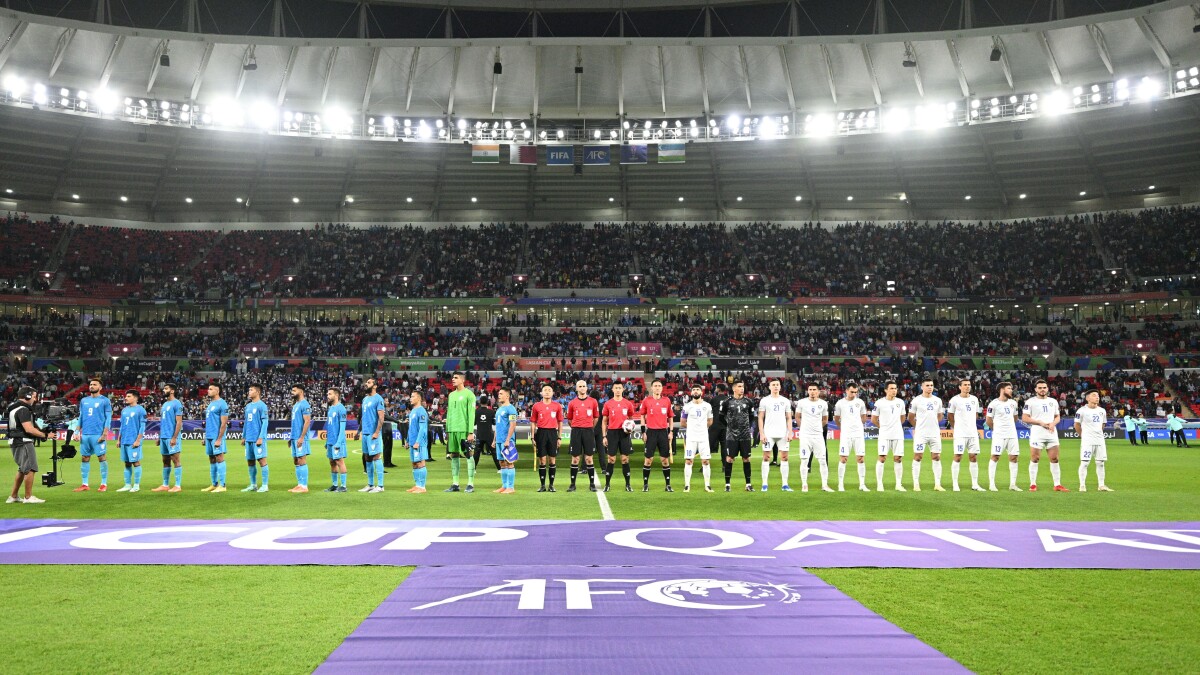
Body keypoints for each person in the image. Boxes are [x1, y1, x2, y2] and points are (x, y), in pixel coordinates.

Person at [1021, 379, 1067, 492]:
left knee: (1054, 458)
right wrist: (1040, 422)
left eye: (1044, 387)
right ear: (1036, 389)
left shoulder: (1053, 401)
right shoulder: (1030, 402)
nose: (1042, 390)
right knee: (1035, 458)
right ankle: (1032, 484)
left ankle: (1057, 485)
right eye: (1040, 388)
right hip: (1037, 432)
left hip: (1051, 433)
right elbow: (1025, 418)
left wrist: (1053, 424)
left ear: (1047, 389)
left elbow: (1057, 417)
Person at [6, 386, 48, 504]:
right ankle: (28, 497)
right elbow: (29, 429)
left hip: (15, 441)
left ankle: (13, 496)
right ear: (28, 396)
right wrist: (45, 435)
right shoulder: (24, 409)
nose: (35, 399)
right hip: (23, 441)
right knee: (30, 468)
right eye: (34, 396)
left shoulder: (13, 407)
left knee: (22, 469)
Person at [74, 378, 112, 493]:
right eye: (90, 384)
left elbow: (108, 418)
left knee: (101, 457)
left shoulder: (105, 401)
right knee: (85, 458)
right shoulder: (84, 400)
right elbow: (81, 417)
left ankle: (103, 484)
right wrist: (76, 432)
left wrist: (105, 433)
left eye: (94, 384)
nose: (92, 386)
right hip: (85, 434)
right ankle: (85, 484)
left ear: (100, 387)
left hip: (98, 434)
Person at [946, 378, 984, 492]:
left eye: (969, 384)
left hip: (972, 433)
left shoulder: (974, 399)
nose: (967, 386)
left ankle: (975, 484)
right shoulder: (954, 400)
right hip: (960, 434)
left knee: (973, 457)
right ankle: (955, 484)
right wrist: (956, 427)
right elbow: (950, 416)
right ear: (959, 387)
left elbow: (976, 415)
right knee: (958, 456)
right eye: (965, 385)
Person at [908, 378, 945, 493]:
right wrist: (918, 427)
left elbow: (940, 416)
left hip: (934, 434)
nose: (930, 387)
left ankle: (937, 484)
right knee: (918, 456)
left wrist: (933, 424)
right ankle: (916, 484)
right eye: (927, 385)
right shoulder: (916, 400)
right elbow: (910, 417)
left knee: (936, 457)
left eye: (931, 385)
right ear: (922, 387)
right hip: (921, 434)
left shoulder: (938, 400)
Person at [795, 383, 832, 492]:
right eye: (810, 389)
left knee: (823, 461)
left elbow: (825, 419)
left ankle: (825, 485)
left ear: (818, 391)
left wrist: (817, 428)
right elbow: (797, 416)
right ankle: (804, 484)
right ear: (808, 391)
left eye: (814, 389)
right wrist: (803, 428)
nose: (812, 391)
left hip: (818, 436)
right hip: (805, 436)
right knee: (804, 460)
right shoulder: (802, 402)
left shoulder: (823, 404)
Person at [756, 379, 792, 492]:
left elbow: (789, 417)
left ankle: (785, 484)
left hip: (782, 433)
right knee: (766, 457)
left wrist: (790, 431)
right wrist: (762, 433)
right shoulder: (764, 400)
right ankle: (764, 484)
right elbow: (760, 417)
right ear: (769, 387)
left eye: (777, 385)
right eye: (773, 385)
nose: (775, 386)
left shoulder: (785, 401)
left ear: (780, 387)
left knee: (784, 458)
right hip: (769, 433)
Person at [986, 381, 1022, 491]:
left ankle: (1012, 484)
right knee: (995, 457)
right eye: (1009, 388)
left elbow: (1015, 418)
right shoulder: (993, 404)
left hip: (1012, 434)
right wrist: (997, 430)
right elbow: (988, 420)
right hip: (999, 435)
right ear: (1002, 389)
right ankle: (992, 484)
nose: (1011, 390)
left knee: (1014, 457)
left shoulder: (1013, 403)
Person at [444, 372, 477, 493]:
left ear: (462, 380)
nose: (453, 379)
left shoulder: (469, 395)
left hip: (464, 430)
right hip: (452, 430)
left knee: (468, 455)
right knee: (454, 455)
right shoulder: (451, 395)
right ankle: (455, 483)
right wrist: (448, 429)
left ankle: (470, 484)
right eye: (453, 378)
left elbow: (471, 414)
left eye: (456, 378)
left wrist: (470, 432)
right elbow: (449, 413)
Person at [639, 379, 674, 492]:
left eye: (659, 386)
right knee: (648, 460)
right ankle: (645, 485)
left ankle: (668, 485)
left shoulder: (667, 400)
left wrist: (671, 431)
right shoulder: (647, 401)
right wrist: (643, 432)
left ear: (662, 388)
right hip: (651, 432)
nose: (657, 387)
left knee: (664, 460)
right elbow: (642, 416)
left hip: (663, 432)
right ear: (651, 388)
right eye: (655, 386)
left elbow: (670, 417)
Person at [833, 382, 869, 492]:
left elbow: (864, 417)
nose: (854, 394)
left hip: (858, 434)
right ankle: (840, 484)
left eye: (855, 392)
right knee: (843, 459)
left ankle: (862, 484)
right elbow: (836, 418)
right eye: (852, 391)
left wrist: (858, 426)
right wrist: (843, 428)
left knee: (860, 459)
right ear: (847, 391)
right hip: (846, 434)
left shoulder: (860, 402)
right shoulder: (840, 403)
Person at [601, 381, 636, 492]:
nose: (617, 390)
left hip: (624, 434)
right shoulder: (608, 404)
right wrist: (604, 436)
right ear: (612, 390)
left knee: (625, 459)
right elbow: (604, 421)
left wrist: (630, 428)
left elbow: (631, 419)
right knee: (611, 459)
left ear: (623, 389)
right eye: (615, 388)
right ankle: (607, 484)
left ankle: (628, 484)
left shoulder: (628, 404)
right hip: (612, 433)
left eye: (619, 388)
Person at [721, 381, 756, 492]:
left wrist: (745, 427)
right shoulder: (727, 402)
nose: (742, 388)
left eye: (743, 386)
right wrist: (730, 427)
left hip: (745, 435)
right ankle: (727, 485)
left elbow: (751, 417)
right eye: (740, 387)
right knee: (730, 458)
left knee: (746, 458)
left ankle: (748, 484)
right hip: (731, 436)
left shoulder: (749, 402)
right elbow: (721, 417)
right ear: (734, 389)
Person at [872, 381, 907, 492]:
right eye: (891, 388)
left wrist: (895, 426)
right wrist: (883, 427)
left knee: (898, 458)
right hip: (884, 435)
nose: (894, 390)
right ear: (886, 390)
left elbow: (903, 418)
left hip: (898, 435)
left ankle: (898, 484)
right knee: (882, 458)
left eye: (895, 388)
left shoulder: (900, 402)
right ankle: (879, 484)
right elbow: (873, 419)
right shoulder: (879, 403)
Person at [1075, 390, 1112, 492]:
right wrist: (1083, 435)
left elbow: (1103, 424)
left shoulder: (1102, 410)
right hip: (1087, 440)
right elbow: (1076, 425)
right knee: (1085, 463)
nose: (1097, 397)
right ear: (1088, 398)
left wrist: (1098, 433)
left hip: (1100, 440)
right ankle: (1082, 485)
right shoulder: (1081, 411)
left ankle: (1101, 485)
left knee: (1100, 463)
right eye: (1094, 395)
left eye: (1098, 396)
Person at [566, 380, 600, 492]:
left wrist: (589, 427)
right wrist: (576, 427)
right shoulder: (572, 403)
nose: (582, 388)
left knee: (589, 458)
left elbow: (596, 418)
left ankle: (592, 484)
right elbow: (569, 419)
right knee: (575, 459)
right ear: (576, 388)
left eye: (583, 386)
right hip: (576, 431)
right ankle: (572, 484)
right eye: (579, 386)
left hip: (588, 431)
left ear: (587, 388)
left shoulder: (593, 402)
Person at [681, 384, 714, 493]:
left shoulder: (707, 406)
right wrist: (692, 428)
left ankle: (707, 485)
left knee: (705, 461)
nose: (695, 391)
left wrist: (702, 428)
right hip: (691, 438)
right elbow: (682, 422)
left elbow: (710, 421)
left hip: (703, 438)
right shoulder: (687, 406)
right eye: (694, 390)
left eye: (697, 390)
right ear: (691, 393)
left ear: (701, 392)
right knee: (689, 460)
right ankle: (687, 485)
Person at [152, 383, 184, 493]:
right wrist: (160, 437)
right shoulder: (165, 404)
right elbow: (163, 422)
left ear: (172, 391)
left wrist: (174, 437)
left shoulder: (177, 403)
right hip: (164, 437)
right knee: (165, 461)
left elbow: (179, 422)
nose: (163, 390)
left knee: (175, 460)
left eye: (166, 388)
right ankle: (165, 485)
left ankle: (177, 485)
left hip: (172, 437)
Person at [531, 384, 563, 492]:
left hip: (553, 433)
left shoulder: (557, 406)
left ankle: (551, 485)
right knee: (542, 460)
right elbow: (533, 422)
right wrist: (532, 437)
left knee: (552, 459)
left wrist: (559, 437)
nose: (547, 392)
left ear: (553, 393)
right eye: (545, 390)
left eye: (549, 390)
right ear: (541, 393)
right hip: (541, 433)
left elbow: (560, 422)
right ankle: (542, 485)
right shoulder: (536, 406)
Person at [115, 390, 146, 493]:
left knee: (136, 462)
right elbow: (122, 426)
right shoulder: (124, 410)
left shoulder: (140, 410)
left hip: (134, 441)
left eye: (128, 396)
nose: (126, 398)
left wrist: (138, 440)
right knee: (127, 463)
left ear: (135, 398)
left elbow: (142, 427)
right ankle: (127, 485)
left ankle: (136, 485)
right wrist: (119, 439)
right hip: (124, 440)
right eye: (126, 396)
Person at [200, 383, 229, 493]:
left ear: (217, 391)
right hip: (209, 436)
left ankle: (223, 485)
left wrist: (219, 439)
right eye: (208, 388)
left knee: (219, 457)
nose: (208, 390)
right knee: (212, 459)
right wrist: (205, 437)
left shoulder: (222, 404)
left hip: (217, 437)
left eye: (211, 389)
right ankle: (214, 484)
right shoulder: (211, 404)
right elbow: (209, 423)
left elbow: (224, 423)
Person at [359, 378, 386, 493]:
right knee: (367, 458)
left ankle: (380, 486)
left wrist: (376, 432)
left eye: (369, 382)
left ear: (375, 386)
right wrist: (360, 431)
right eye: (366, 382)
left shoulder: (378, 399)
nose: (366, 384)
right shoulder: (365, 399)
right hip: (365, 433)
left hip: (373, 433)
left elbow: (381, 417)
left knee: (376, 457)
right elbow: (363, 417)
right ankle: (370, 484)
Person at [242, 384, 269, 493]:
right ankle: (253, 485)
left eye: (251, 390)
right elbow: (245, 422)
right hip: (248, 438)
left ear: (257, 392)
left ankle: (265, 485)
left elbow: (265, 422)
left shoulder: (262, 405)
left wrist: (261, 437)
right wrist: (244, 436)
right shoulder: (248, 406)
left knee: (262, 460)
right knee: (250, 461)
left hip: (257, 439)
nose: (249, 391)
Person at [493, 388, 518, 494]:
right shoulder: (499, 409)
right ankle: (504, 486)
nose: (499, 395)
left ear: (507, 396)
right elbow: (498, 426)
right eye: (499, 394)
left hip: (507, 440)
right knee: (501, 462)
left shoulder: (511, 409)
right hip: (499, 440)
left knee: (509, 462)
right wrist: (494, 440)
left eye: (501, 394)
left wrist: (508, 439)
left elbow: (513, 425)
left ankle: (511, 487)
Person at [288, 384, 312, 493]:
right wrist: (291, 437)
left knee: (302, 459)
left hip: (301, 437)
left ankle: (304, 486)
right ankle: (299, 484)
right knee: (296, 460)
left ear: (301, 391)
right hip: (294, 437)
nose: (292, 392)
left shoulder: (304, 404)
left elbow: (307, 421)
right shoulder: (296, 404)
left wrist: (302, 437)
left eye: (294, 390)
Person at [325, 388, 349, 492]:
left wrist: (339, 442)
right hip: (330, 441)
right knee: (332, 462)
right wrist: (327, 441)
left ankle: (343, 486)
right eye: (327, 393)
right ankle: (334, 485)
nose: (328, 395)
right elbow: (330, 426)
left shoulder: (341, 408)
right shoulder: (330, 409)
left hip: (337, 441)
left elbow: (342, 427)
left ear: (336, 395)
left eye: (329, 394)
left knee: (340, 462)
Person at [406, 390, 430, 493]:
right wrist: (407, 440)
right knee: (414, 463)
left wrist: (418, 442)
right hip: (412, 441)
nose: (410, 398)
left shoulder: (421, 411)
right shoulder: (412, 411)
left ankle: (422, 487)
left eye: (413, 396)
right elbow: (411, 427)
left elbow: (423, 428)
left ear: (419, 398)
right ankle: (417, 485)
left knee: (420, 462)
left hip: (418, 442)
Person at [708, 383, 729, 473]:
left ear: (719, 389)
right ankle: (725, 466)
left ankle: (705, 465)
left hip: (715, 425)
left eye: (716, 388)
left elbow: (709, 411)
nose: (715, 389)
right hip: (725, 425)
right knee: (724, 446)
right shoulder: (728, 399)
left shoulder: (714, 399)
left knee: (708, 445)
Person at [474, 397, 499, 473]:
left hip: (479, 434)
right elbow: (494, 423)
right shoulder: (491, 412)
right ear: (488, 402)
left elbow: (474, 423)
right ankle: (499, 469)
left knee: (477, 452)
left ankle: (473, 469)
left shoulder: (476, 411)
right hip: (489, 434)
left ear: (480, 402)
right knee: (494, 452)